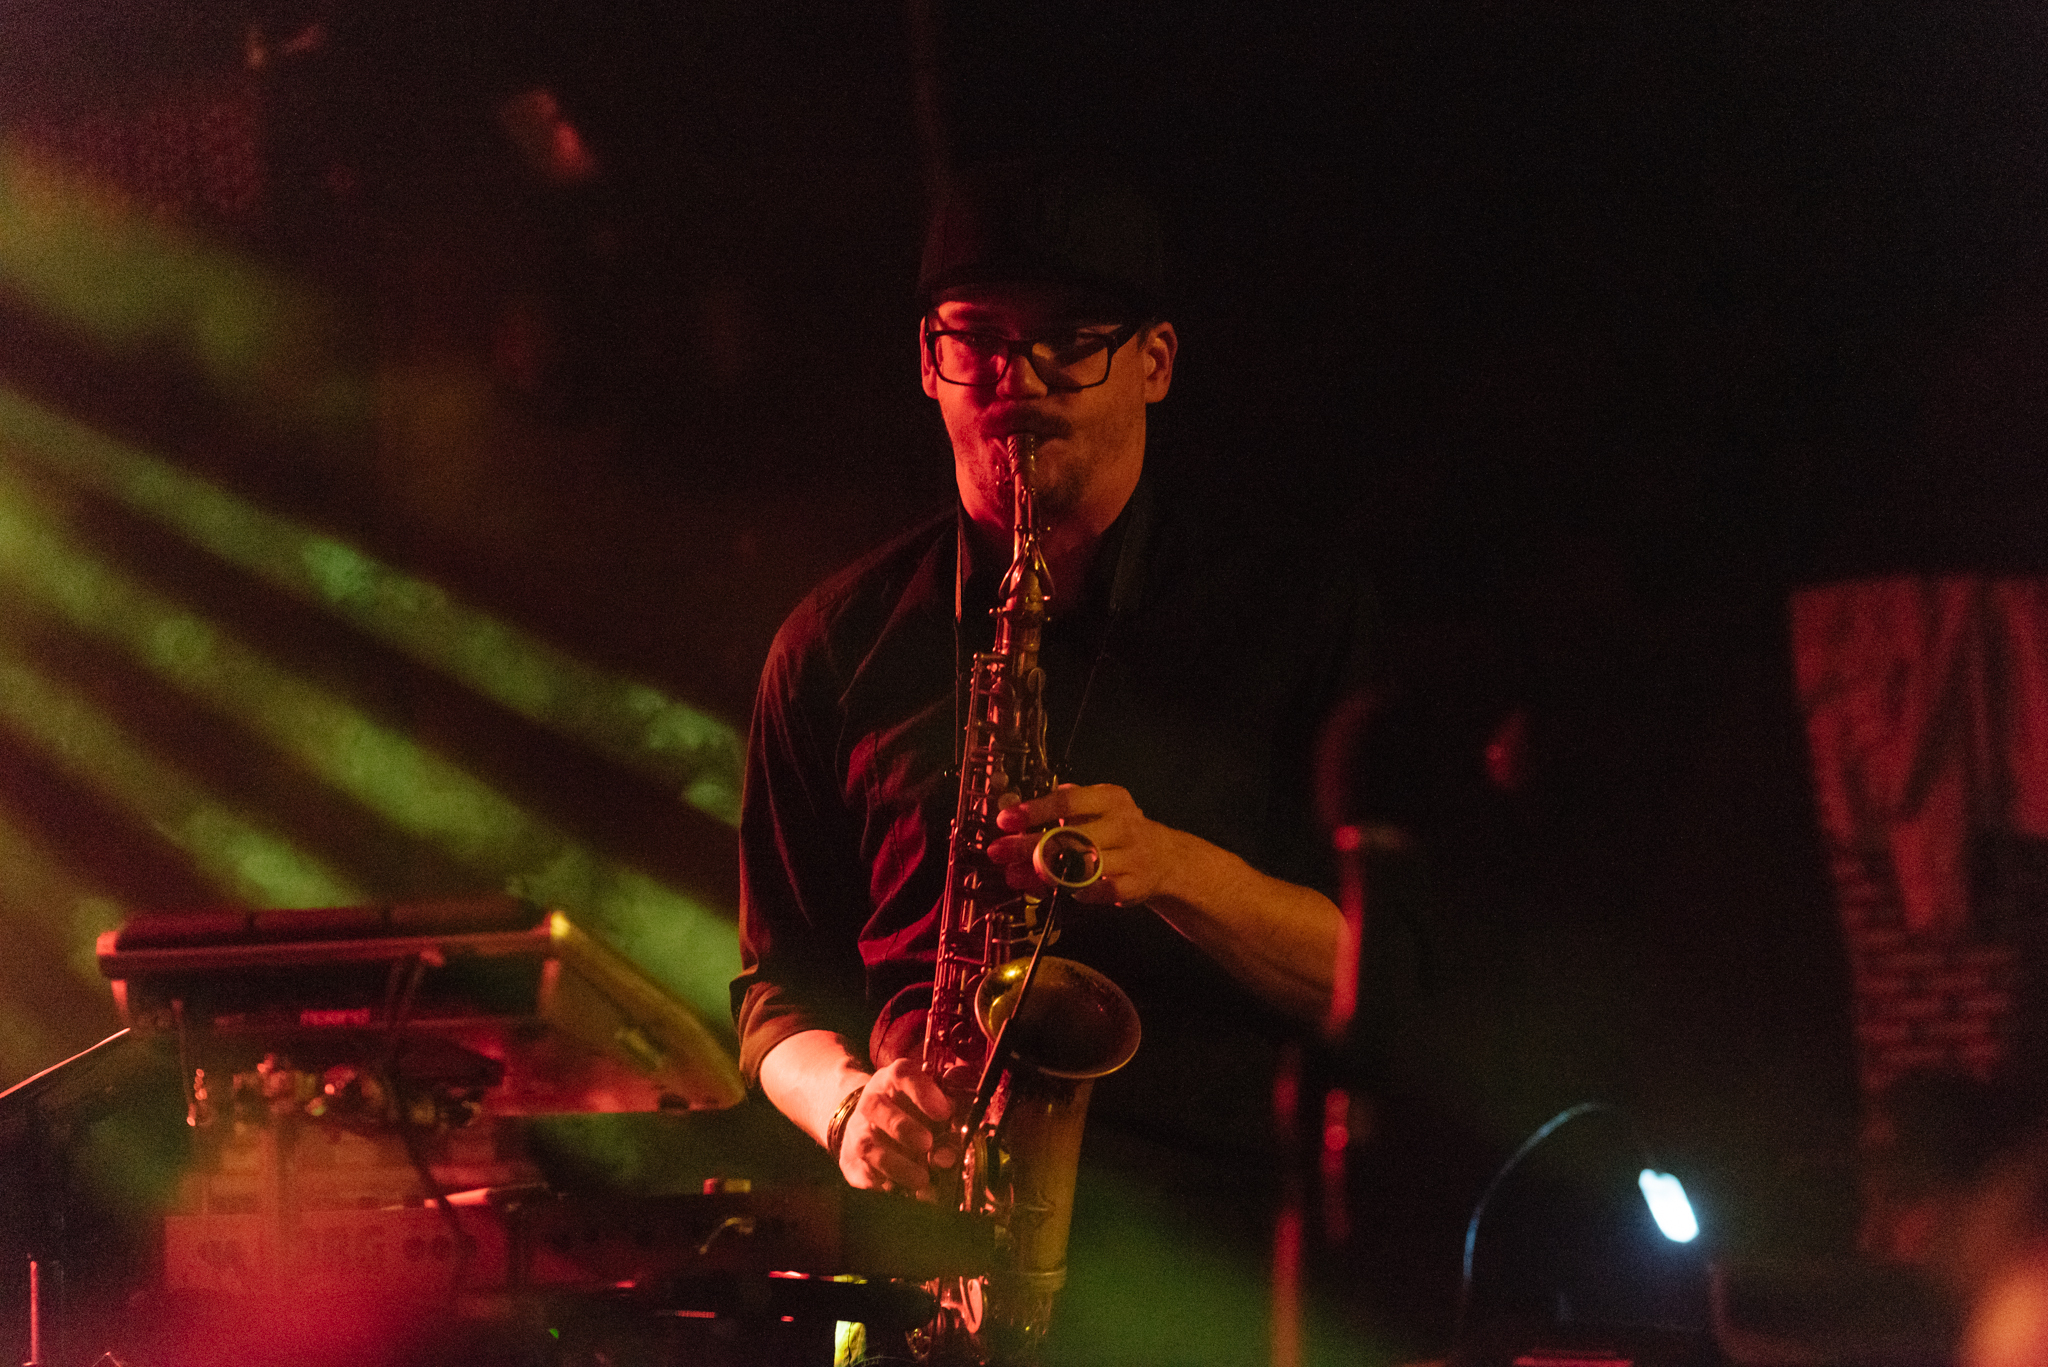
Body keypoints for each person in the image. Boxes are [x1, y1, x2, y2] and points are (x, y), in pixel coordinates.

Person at [731, 162, 1374, 1363]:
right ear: (927, 362)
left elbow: (1385, 982)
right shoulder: (829, 645)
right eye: (975, 340)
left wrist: (1172, 866)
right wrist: (850, 1107)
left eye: (1069, 342)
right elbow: (775, 997)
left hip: (1213, 1290)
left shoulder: (1297, 620)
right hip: (921, 1282)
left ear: (1156, 360)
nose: (1014, 379)